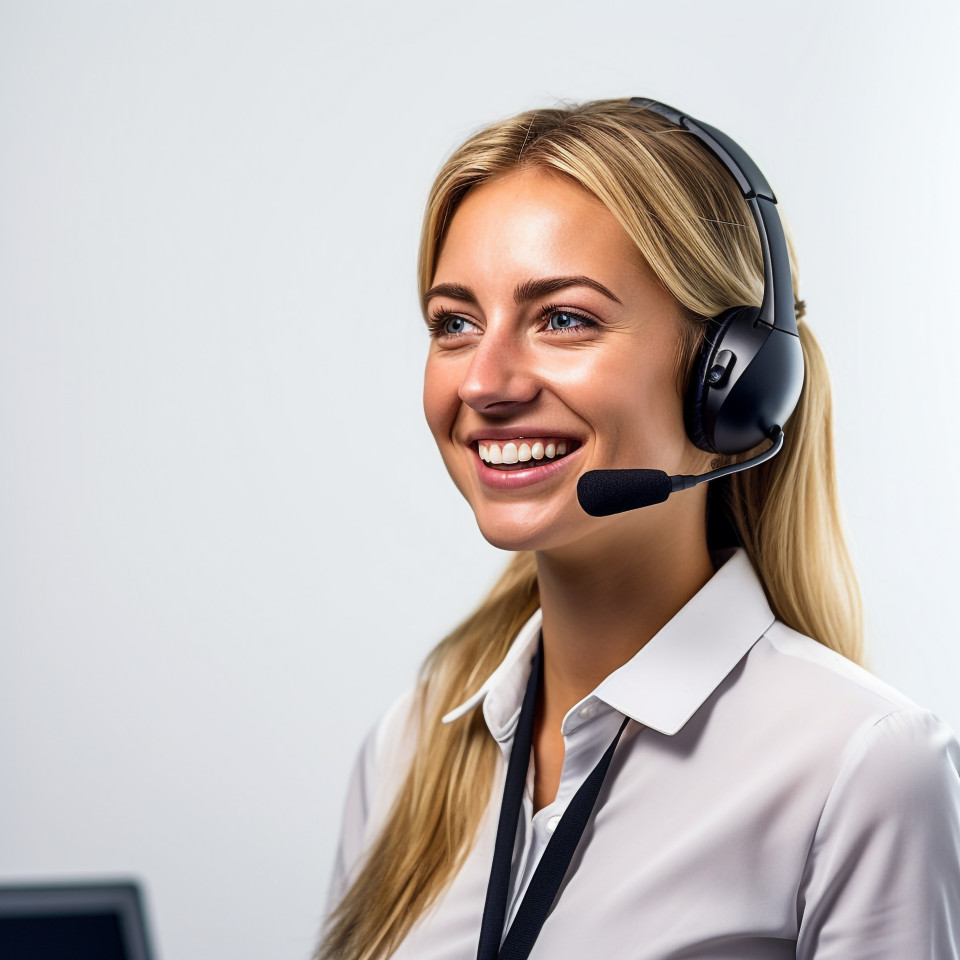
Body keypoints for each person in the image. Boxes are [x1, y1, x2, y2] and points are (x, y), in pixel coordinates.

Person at [315, 98, 960, 960]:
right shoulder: (412, 746)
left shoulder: (862, 767)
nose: (485, 383)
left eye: (563, 319)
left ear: (727, 378)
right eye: (455, 324)